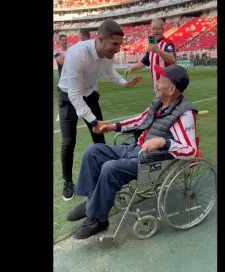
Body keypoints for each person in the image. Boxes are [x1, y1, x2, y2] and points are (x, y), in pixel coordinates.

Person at [66, 64, 198, 239]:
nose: (156, 83)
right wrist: (112, 127)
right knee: (92, 151)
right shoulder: (158, 103)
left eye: (160, 80)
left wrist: (163, 142)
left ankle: (97, 219)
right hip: (136, 148)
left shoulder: (184, 114)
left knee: (110, 168)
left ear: (172, 88)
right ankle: (92, 204)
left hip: (152, 161)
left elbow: (190, 150)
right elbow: (140, 120)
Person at [58, 20, 143, 201]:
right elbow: (74, 95)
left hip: (89, 95)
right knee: (68, 142)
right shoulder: (77, 54)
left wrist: (125, 84)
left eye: (120, 44)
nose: (118, 49)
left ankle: (105, 178)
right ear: (100, 39)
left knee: (100, 137)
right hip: (68, 97)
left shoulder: (106, 56)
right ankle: (67, 181)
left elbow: (110, 73)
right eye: (115, 44)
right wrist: (93, 120)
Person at [124, 18, 176, 93]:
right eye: (153, 28)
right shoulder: (151, 46)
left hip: (167, 88)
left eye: (158, 28)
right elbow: (144, 62)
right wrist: (132, 68)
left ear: (162, 30)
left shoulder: (167, 43)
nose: (155, 31)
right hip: (157, 88)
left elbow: (172, 59)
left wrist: (158, 51)